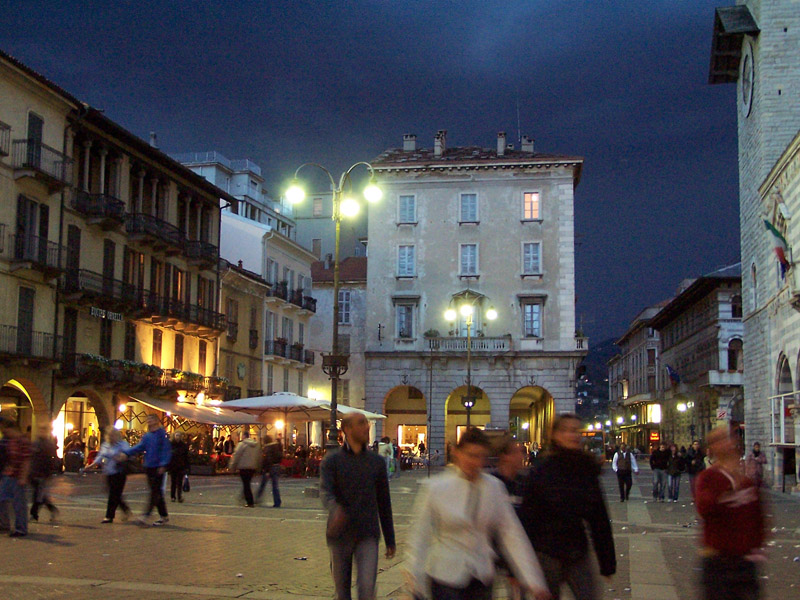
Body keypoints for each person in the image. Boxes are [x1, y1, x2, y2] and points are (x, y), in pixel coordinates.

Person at [407, 428, 548, 600]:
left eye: (481, 456)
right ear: (457, 453)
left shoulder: (494, 487)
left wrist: (534, 580)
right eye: (470, 455)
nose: (475, 462)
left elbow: (511, 533)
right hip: (445, 574)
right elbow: (420, 534)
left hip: (481, 574)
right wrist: (415, 579)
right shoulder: (436, 487)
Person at [521, 414, 615, 600]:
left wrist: (607, 561)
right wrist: (523, 566)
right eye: (566, 430)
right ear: (555, 435)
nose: (572, 435)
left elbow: (599, 517)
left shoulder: (586, 468)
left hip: (576, 549)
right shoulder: (542, 470)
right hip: (547, 552)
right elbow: (527, 517)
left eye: (575, 431)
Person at [321, 413, 395, 600]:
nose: (366, 427)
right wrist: (335, 508)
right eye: (361, 423)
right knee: (342, 591)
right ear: (347, 429)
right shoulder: (333, 460)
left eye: (367, 423)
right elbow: (325, 491)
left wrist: (390, 539)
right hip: (340, 535)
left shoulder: (376, 462)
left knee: (367, 589)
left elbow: (384, 501)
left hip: (367, 533)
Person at [695, 427, 766, 600]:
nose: (726, 444)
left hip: (744, 562)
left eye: (727, 439)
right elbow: (705, 508)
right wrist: (727, 487)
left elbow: (757, 515)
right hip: (718, 561)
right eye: (719, 440)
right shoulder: (708, 478)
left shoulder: (746, 480)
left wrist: (756, 546)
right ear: (712, 448)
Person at [491, 438, 529, 600]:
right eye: (517, 452)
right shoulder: (492, 484)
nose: (522, 456)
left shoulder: (524, 483)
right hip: (493, 555)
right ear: (505, 456)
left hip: (517, 554)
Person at [120, 413, 172, 526]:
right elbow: (140, 447)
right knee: (156, 492)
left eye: (151, 419)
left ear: (156, 421)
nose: (148, 421)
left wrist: (163, 464)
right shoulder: (147, 436)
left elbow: (166, 450)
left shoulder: (162, 435)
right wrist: (126, 453)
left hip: (158, 467)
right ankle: (164, 516)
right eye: (147, 419)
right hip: (149, 466)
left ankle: (146, 515)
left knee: (155, 491)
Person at [86, 427, 131, 523]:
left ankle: (109, 516)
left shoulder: (123, 444)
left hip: (119, 472)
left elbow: (128, 454)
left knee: (113, 494)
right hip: (108, 471)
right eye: (109, 435)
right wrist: (91, 465)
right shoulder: (105, 445)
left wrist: (122, 456)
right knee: (114, 494)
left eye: (113, 435)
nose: (111, 437)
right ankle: (125, 509)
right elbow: (100, 456)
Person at [0, 418, 32, 537]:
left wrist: (23, 477)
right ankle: (4, 524)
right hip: (8, 475)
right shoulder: (11, 441)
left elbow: (26, 461)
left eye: (6, 431)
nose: (5, 433)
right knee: (2, 499)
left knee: (19, 504)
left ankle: (21, 528)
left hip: (17, 476)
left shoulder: (23, 441)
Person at [29, 424, 59, 522]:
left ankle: (34, 514)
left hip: (42, 473)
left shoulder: (48, 444)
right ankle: (51, 509)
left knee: (38, 494)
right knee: (40, 494)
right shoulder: (36, 442)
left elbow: (51, 459)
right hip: (34, 472)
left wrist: (48, 472)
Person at [229, 430, 261, 507]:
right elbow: (259, 457)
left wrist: (232, 467)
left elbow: (236, 456)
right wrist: (258, 467)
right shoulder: (256, 445)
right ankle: (245, 498)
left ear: (244, 436)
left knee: (246, 485)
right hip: (252, 467)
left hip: (243, 467)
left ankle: (250, 501)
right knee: (247, 483)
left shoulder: (241, 444)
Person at [257, 434, 283, 507]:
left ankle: (257, 498)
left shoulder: (268, 448)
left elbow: (268, 459)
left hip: (270, 468)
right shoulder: (276, 446)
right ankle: (277, 502)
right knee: (275, 486)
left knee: (263, 484)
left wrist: (267, 470)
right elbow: (280, 456)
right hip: (276, 466)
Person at [168, 431, 190, 503]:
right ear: (174, 436)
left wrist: (187, 467)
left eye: (179, 435)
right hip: (173, 466)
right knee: (173, 482)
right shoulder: (171, 445)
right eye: (176, 435)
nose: (177, 437)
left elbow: (186, 457)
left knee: (179, 482)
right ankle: (173, 496)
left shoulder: (183, 445)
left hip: (181, 466)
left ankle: (179, 497)